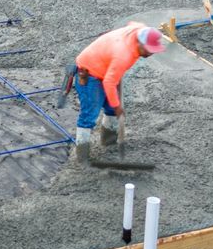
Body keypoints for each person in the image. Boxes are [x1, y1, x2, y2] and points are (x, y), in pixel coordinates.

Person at [70, 22, 168, 159]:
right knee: (89, 115)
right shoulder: (123, 55)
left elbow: (133, 23)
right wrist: (117, 107)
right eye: (149, 49)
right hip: (89, 74)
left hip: (106, 69)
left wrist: (114, 106)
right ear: (139, 43)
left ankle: (108, 142)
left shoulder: (139, 30)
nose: (151, 53)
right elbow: (109, 82)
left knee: (111, 107)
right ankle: (82, 155)